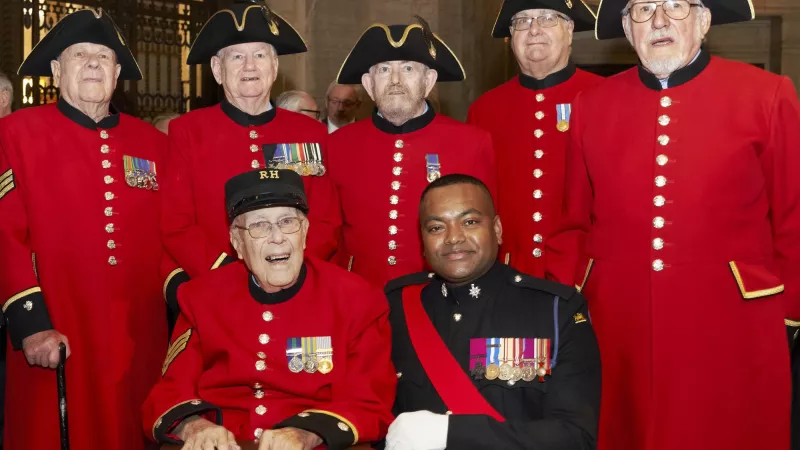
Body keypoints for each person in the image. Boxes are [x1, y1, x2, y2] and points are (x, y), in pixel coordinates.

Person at [545, 1, 800, 449]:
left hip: (734, 324)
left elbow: (794, 216)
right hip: (618, 327)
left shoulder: (767, 94)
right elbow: (573, 224)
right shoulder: (591, 105)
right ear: (627, 29)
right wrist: (570, 312)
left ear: (704, 21)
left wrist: (786, 316)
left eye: (676, 5)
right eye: (643, 10)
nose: (659, 21)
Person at [0, 8, 173, 450]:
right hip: (58, 329)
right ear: (57, 70)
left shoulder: (154, 144)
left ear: (118, 74)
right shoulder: (16, 134)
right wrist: (30, 322)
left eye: (104, 56)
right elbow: (5, 231)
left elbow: (175, 230)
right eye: (80, 55)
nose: (94, 63)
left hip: (141, 335)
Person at [143, 168, 396, 449]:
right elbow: (170, 389)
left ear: (305, 232)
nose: (277, 237)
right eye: (259, 226)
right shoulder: (201, 297)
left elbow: (370, 401)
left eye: (288, 222)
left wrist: (307, 433)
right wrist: (195, 427)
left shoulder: (356, 299)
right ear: (237, 243)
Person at [383, 174, 600, 450]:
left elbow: (575, 436)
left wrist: (451, 434)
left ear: (497, 229)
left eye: (470, 222)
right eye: (436, 228)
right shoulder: (396, 307)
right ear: (423, 240)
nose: (453, 238)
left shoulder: (556, 310)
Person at [161, 0, 339, 294]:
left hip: (299, 286)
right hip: (219, 287)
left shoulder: (308, 132)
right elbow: (176, 225)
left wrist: (292, 271)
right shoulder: (188, 132)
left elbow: (326, 219)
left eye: (259, 54)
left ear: (275, 66)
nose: (249, 66)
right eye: (237, 57)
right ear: (218, 69)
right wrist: (225, 273)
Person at [326, 17, 498, 287]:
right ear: (369, 85)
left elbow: (485, 233)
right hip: (359, 295)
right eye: (383, 70)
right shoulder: (337, 145)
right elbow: (327, 232)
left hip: (439, 296)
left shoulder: (471, 143)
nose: (395, 80)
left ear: (429, 80)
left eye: (407, 68)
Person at [467, 0, 602, 277]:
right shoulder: (484, 110)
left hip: (585, 274)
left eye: (548, 18)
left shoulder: (605, 97)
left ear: (570, 29)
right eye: (522, 21)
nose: (534, 29)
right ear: (510, 38)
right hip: (506, 276)